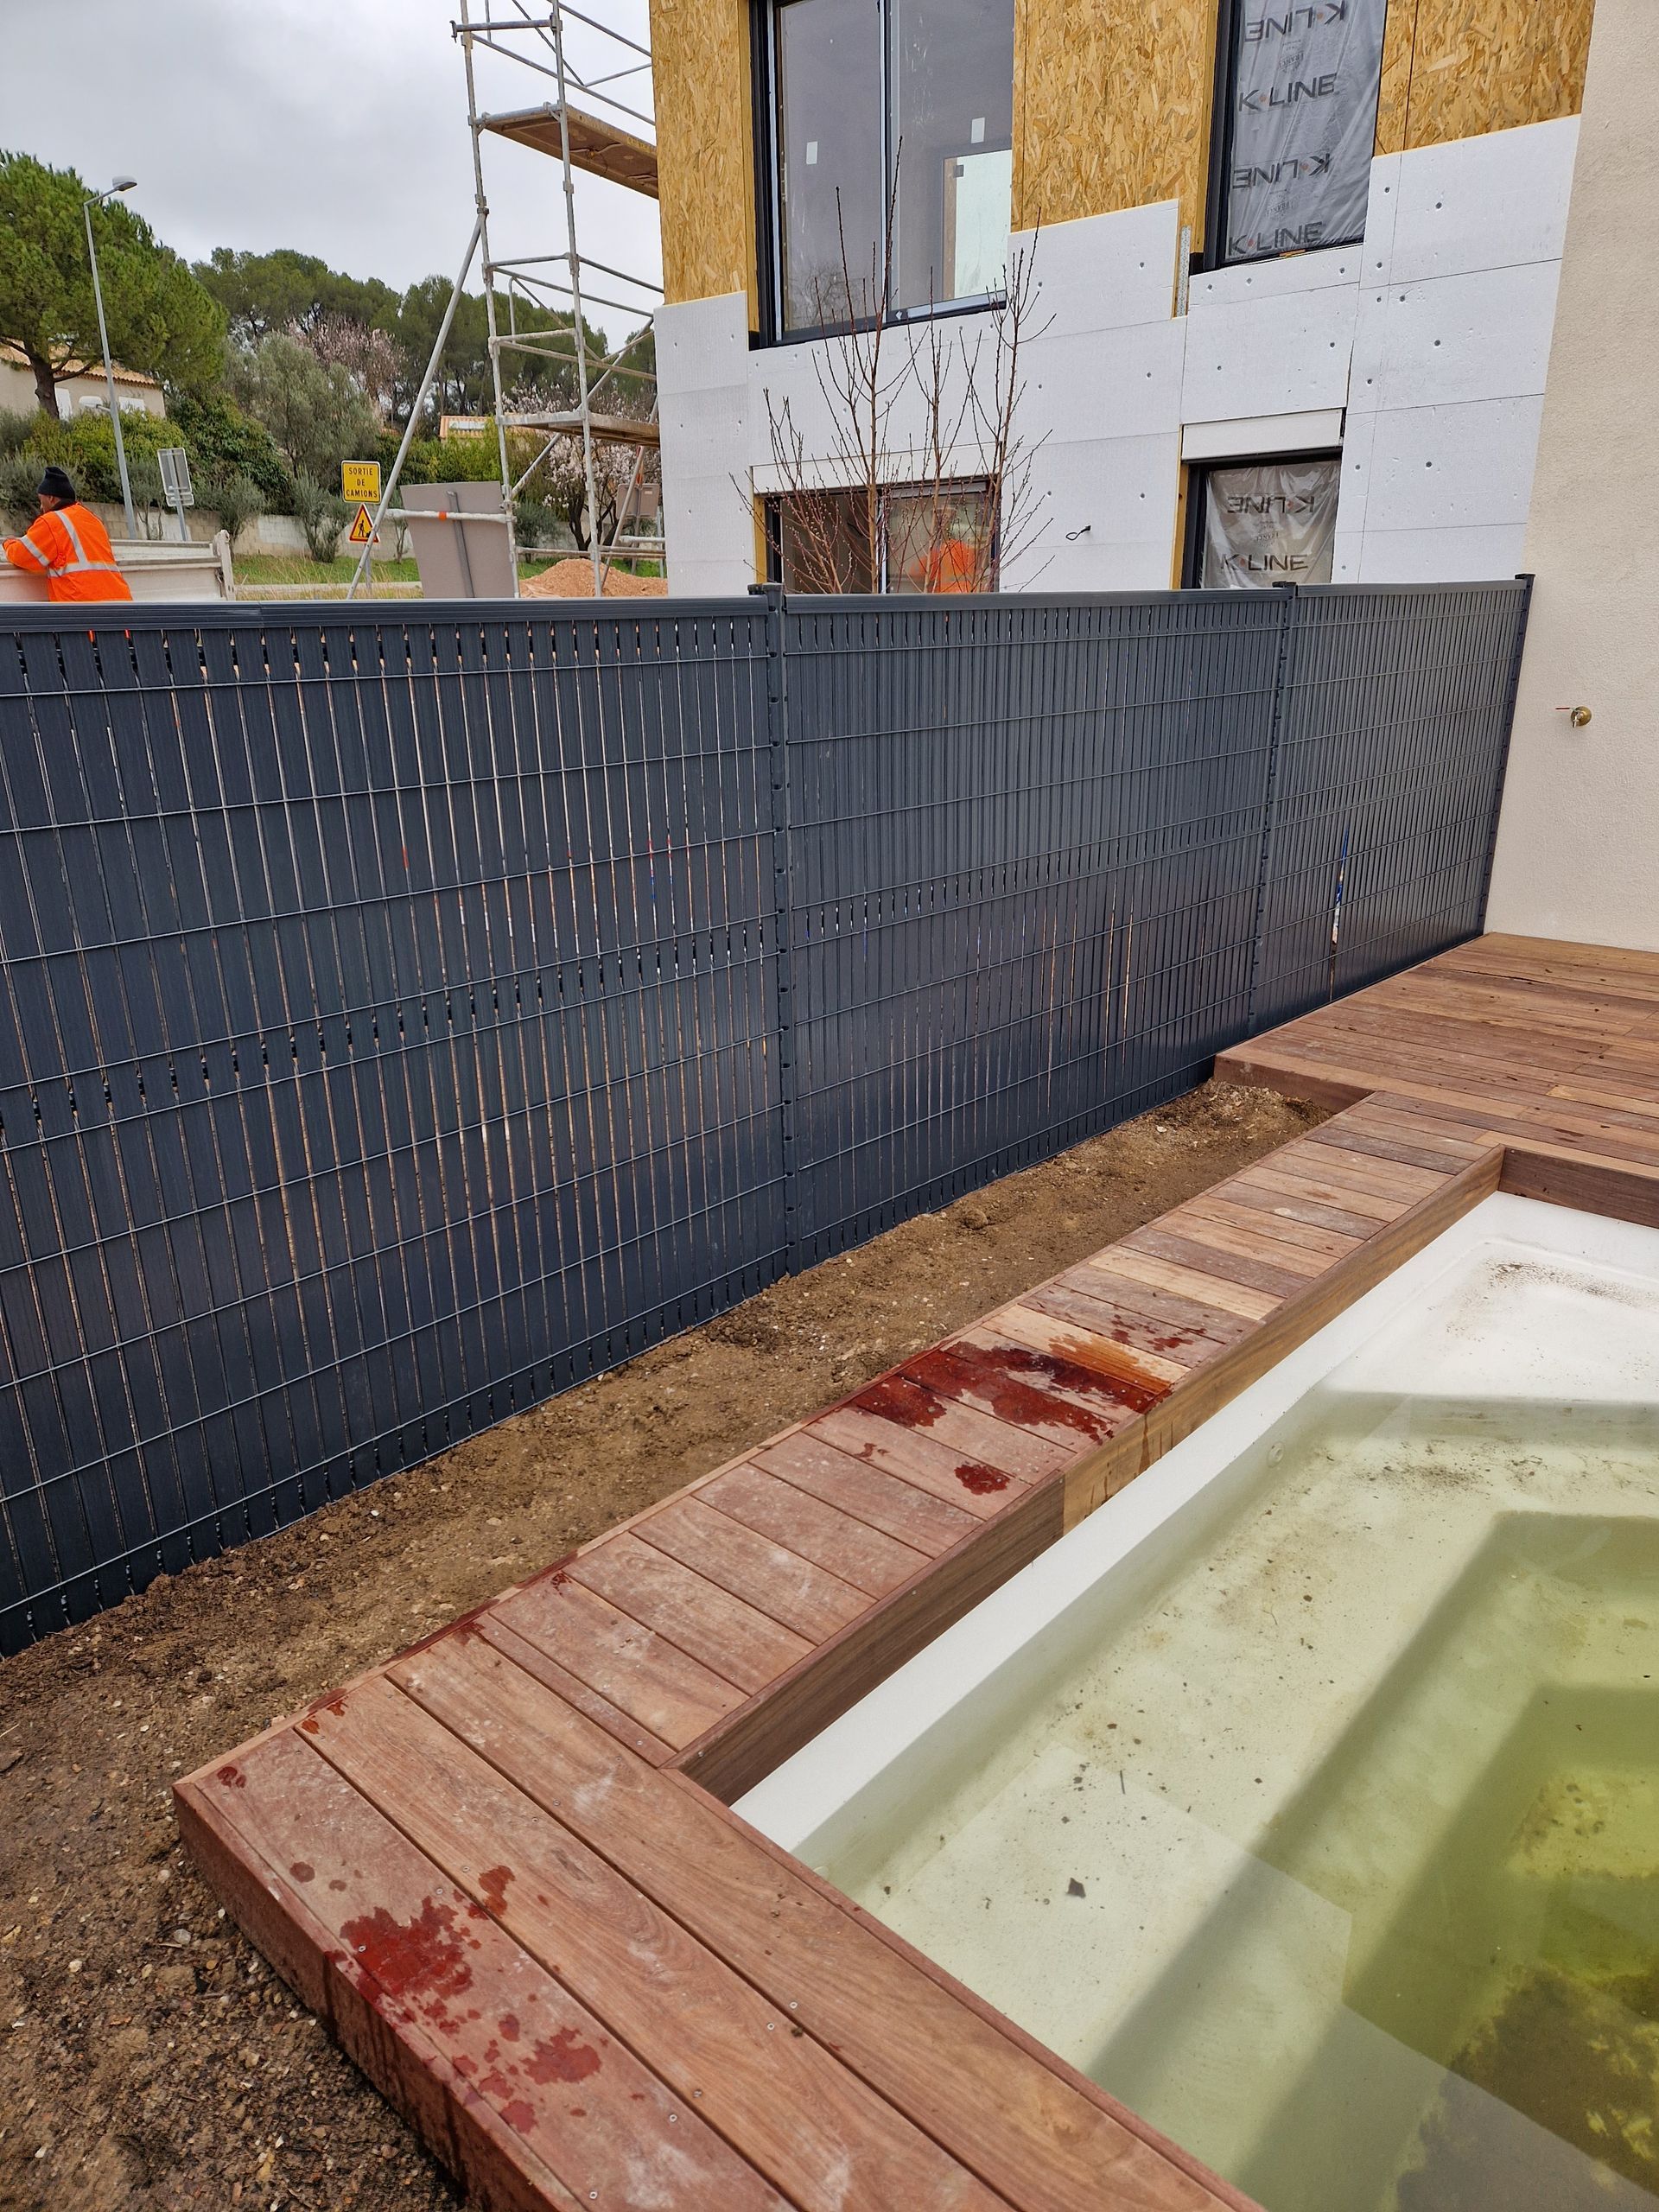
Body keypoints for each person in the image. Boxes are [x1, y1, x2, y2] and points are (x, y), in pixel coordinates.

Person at [3, 467, 133, 602]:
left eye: (41, 501)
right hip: (121, 604)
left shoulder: (52, 521)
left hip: (84, 607)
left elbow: (22, 555)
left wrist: (9, 543)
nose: (41, 507)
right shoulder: (93, 519)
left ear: (51, 498)